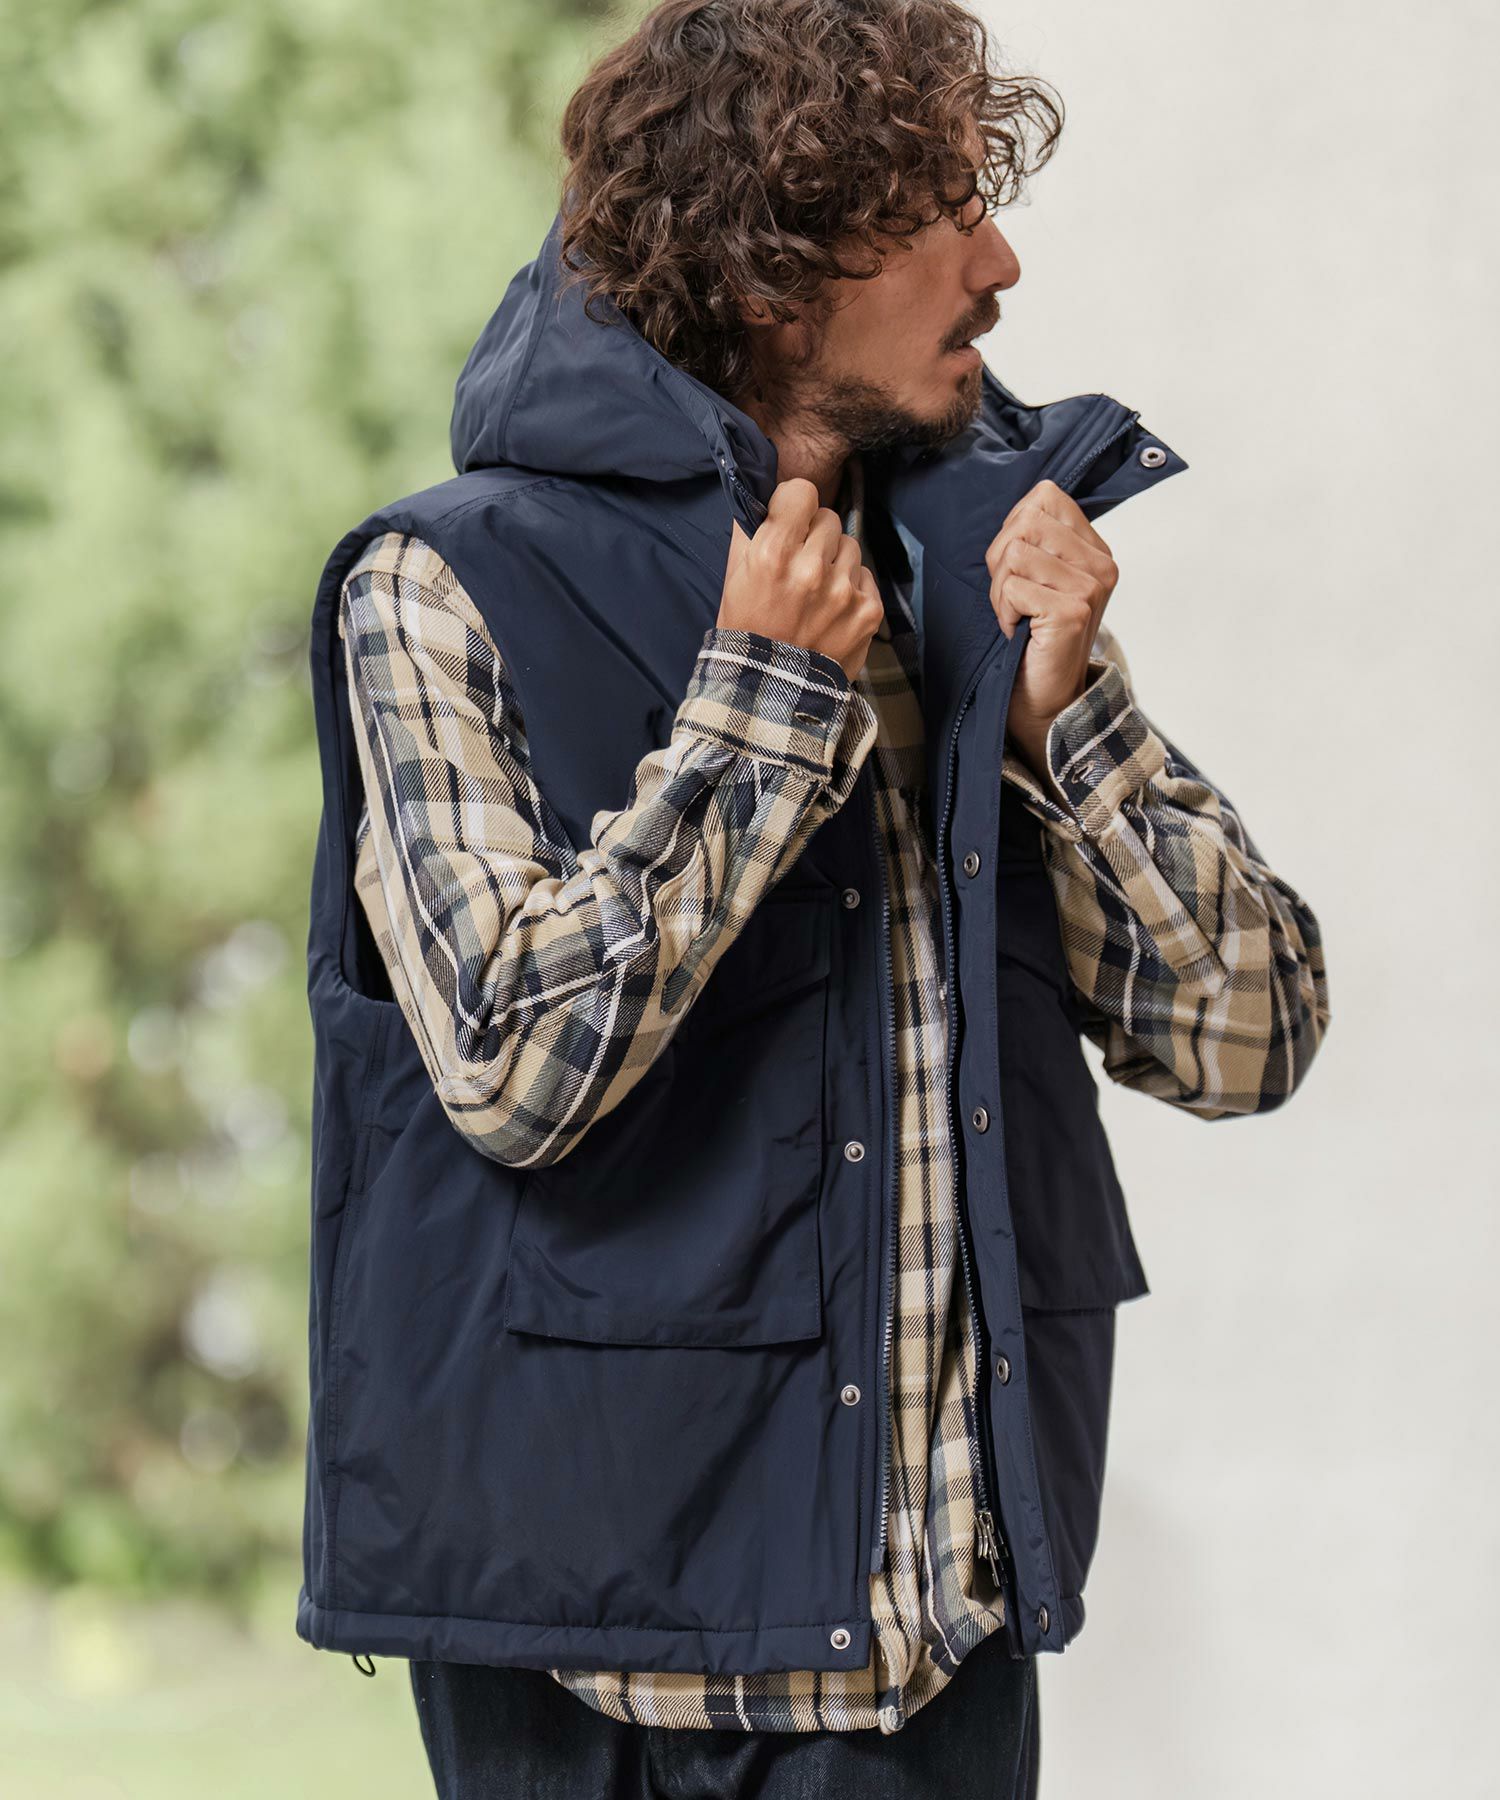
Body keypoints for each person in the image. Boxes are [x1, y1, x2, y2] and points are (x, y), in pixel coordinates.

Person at [295, 2, 1331, 1794]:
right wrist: (765, 707)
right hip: (591, 1674)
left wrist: (1069, 721)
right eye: (941, 213)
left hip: (933, 1676)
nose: (1000, 266)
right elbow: (515, 1064)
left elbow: (1250, 1040)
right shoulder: (440, 583)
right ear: (771, 270)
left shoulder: (974, 581)